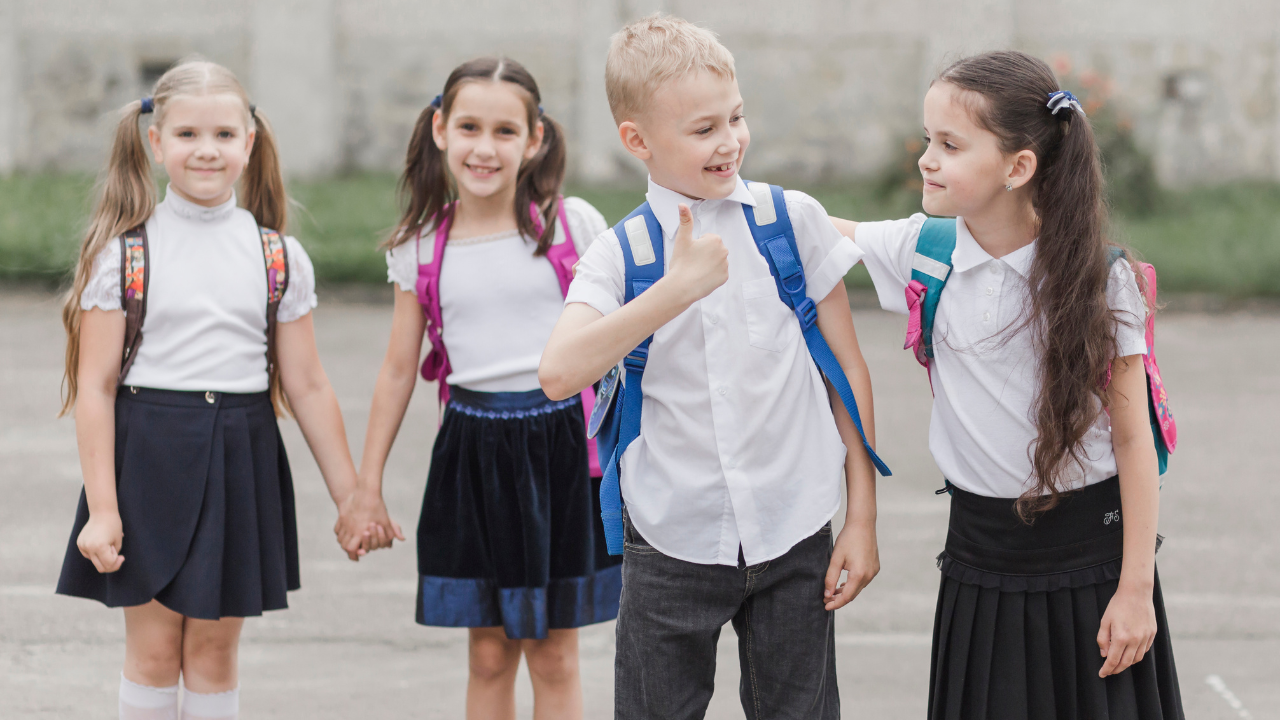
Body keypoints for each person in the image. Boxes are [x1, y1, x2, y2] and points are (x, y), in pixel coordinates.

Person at [540, 15, 882, 719]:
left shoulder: (792, 222)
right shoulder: (620, 253)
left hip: (795, 532)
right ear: (638, 141)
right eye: (703, 130)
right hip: (671, 543)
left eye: (736, 118)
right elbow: (558, 372)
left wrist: (862, 518)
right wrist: (672, 292)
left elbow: (846, 370)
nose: (729, 142)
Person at [829, 51, 1185, 719]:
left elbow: (1135, 440)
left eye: (949, 145)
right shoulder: (923, 250)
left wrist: (1136, 587)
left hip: (1094, 565)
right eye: (928, 139)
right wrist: (718, 164)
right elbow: (809, 229)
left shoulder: (1099, 279)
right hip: (979, 562)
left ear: (1019, 168)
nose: (926, 160)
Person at [54, 60, 394, 720]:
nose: (206, 150)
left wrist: (353, 496)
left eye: (223, 134)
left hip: (241, 455)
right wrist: (102, 508)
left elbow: (310, 385)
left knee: (214, 653)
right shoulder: (124, 255)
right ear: (156, 143)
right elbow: (95, 387)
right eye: (186, 134)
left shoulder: (277, 258)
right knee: (153, 653)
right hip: (146, 458)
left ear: (251, 141)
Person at [355, 56, 620, 720]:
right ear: (441, 129)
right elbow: (395, 372)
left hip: (563, 454)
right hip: (471, 458)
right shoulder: (419, 247)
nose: (484, 147)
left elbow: (622, 342)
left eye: (505, 131)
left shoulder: (572, 226)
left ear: (535, 140)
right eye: (469, 126)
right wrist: (366, 486)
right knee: (489, 655)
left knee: (555, 655)